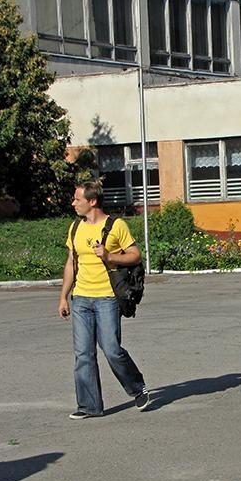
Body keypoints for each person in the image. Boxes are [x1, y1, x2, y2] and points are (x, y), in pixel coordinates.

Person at [58, 180, 150, 419]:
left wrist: (110, 256)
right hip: (81, 298)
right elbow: (71, 263)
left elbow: (135, 255)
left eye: (77, 199)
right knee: (83, 353)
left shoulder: (116, 225)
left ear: (92, 201)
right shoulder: (75, 228)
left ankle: (137, 387)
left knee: (111, 349)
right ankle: (89, 406)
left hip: (107, 298)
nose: (73, 203)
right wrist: (63, 297)